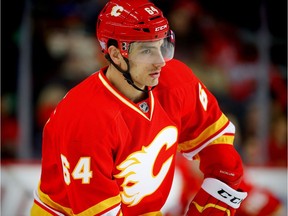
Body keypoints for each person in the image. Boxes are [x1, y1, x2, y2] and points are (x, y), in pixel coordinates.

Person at [30, 0, 247, 215]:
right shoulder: (84, 120)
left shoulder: (177, 82)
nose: (161, 61)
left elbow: (225, 163)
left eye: (162, 46)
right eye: (146, 51)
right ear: (115, 55)